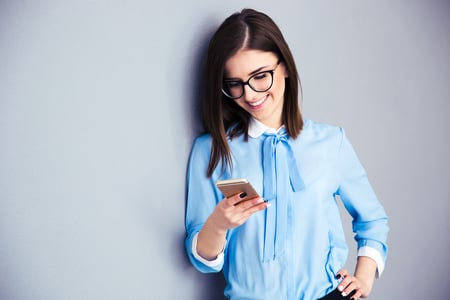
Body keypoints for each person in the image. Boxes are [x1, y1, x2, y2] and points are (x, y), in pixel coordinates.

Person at [184, 8, 388, 300]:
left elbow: (373, 220)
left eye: (261, 76)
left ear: (286, 66)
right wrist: (218, 224)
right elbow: (202, 260)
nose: (251, 94)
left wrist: (364, 278)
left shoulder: (331, 143)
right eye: (235, 84)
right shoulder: (212, 150)